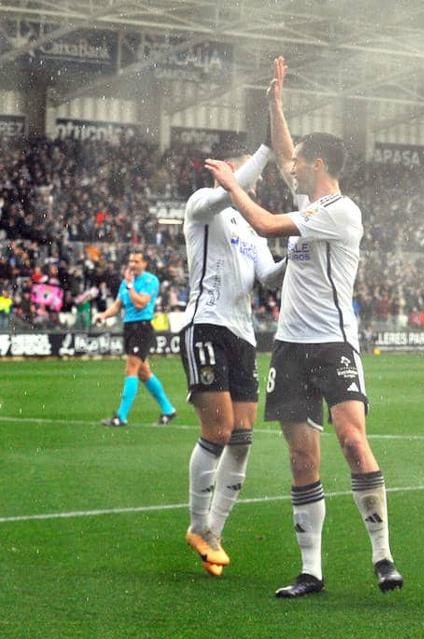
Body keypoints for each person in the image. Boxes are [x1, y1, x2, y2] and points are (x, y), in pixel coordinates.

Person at [205, 56, 402, 598]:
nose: (289, 167)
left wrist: (230, 183)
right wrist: (275, 102)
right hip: (290, 346)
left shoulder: (340, 211)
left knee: (351, 440)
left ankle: (382, 556)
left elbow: (265, 223)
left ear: (319, 166)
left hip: (334, 342)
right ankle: (310, 570)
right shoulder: (312, 197)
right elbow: (287, 151)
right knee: (300, 454)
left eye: (299, 165)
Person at [180, 137, 286, 577]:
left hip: (242, 336)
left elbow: (270, 279)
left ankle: (214, 532)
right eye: (251, 177)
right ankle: (197, 525)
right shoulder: (204, 204)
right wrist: (266, 149)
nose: (256, 186)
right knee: (219, 430)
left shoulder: (249, 227)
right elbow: (231, 189)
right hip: (206, 323)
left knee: (242, 436)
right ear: (227, 171)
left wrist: (300, 253)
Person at [94, 251, 177, 427]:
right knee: (144, 372)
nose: (132, 264)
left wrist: (131, 286)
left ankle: (121, 416)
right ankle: (168, 410)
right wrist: (104, 315)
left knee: (131, 368)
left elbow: (141, 303)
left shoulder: (150, 281)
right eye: (130, 260)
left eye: (136, 261)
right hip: (129, 327)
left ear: (144, 264)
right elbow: (117, 305)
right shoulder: (126, 282)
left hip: (142, 328)